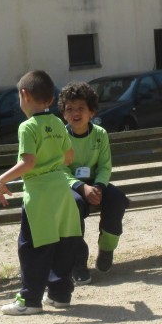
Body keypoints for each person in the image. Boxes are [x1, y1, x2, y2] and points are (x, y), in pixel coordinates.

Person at [0, 70, 82, 315]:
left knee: (32, 247)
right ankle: (60, 295)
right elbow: (69, 156)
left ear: (24, 95)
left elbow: (28, 162)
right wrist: (52, 163)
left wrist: (2, 179)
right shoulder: (57, 123)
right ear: (51, 100)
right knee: (63, 242)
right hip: (62, 192)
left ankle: (30, 300)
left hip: (40, 196)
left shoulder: (27, 127)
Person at [58, 81, 129, 283]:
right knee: (73, 205)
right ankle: (78, 263)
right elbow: (60, 169)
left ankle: (106, 249)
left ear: (91, 112)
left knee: (118, 199)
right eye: (70, 109)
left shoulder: (100, 134)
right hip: (71, 186)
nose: (75, 113)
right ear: (63, 114)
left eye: (81, 108)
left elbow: (105, 166)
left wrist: (98, 187)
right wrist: (82, 187)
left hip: (96, 184)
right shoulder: (60, 137)